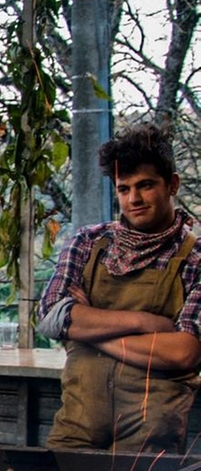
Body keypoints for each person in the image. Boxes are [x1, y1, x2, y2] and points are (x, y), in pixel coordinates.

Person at [38, 123, 201, 453]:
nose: (134, 199)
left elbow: (185, 352)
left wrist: (86, 329)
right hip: (75, 430)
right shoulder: (88, 242)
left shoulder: (195, 257)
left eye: (145, 186)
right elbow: (50, 318)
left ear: (172, 185)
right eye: (123, 188)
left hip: (149, 440)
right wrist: (144, 323)